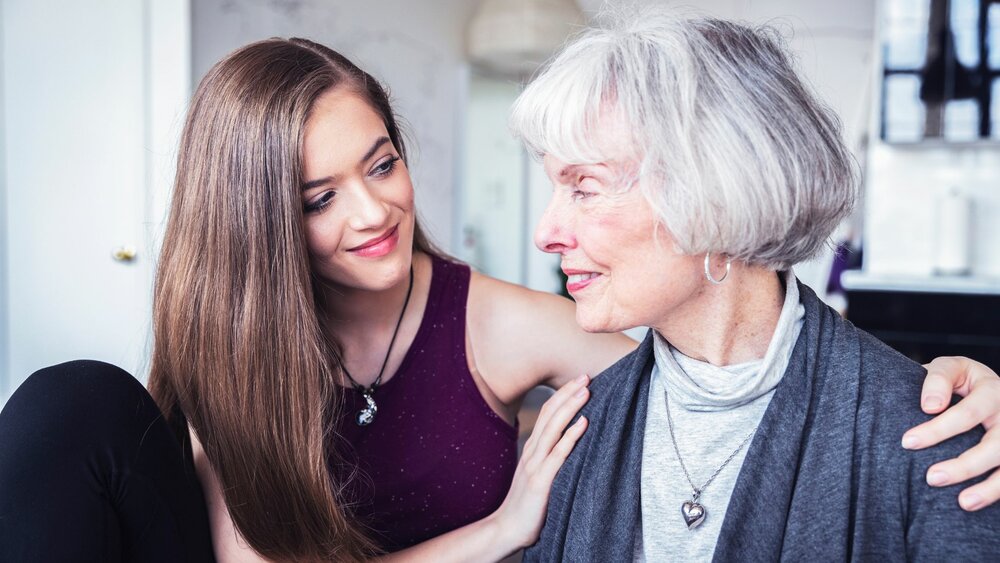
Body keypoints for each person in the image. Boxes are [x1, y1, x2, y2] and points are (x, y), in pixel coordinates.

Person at [0, 33, 997, 563]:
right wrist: (500, 526)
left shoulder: (537, 335)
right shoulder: (233, 339)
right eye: (316, 197)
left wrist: (951, 379)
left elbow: (756, 347)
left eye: (382, 162)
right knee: (69, 400)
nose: (372, 210)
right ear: (262, 218)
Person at [509, 11, 1000, 561]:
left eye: (585, 188)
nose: (545, 234)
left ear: (714, 193)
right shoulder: (578, 429)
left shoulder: (935, 442)